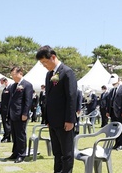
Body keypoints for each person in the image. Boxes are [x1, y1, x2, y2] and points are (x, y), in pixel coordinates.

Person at [36, 45, 77, 173]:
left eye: (45, 62)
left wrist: (70, 120)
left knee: (67, 153)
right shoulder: (49, 75)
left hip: (64, 121)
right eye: (41, 63)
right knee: (57, 153)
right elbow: (48, 98)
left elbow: (71, 97)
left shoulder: (67, 72)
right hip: (53, 121)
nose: (44, 65)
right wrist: (46, 118)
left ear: (53, 57)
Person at [6, 66, 33, 163]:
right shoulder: (13, 86)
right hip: (12, 113)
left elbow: (28, 101)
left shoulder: (27, 85)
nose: (12, 76)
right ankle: (15, 152)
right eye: (11, 75)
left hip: (21, 113)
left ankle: (22, 154)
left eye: (14, 74)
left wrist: (25, 113)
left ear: (20, 73)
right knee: (14, 134)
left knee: (20, 134)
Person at [106, 73, 122, 151]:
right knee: (114, 129)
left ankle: (121, 144)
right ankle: (116, 143)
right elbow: (109, 101)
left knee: (121, 128)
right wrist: (108, 111)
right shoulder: (112, 90)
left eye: (114, 83)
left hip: (120, 112)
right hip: (112, 112)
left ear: (118, 81)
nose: (113, 84)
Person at [0, 77, 12, 142]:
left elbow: (10, 100)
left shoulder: (10, 88)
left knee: (7, 123)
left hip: (7, 109)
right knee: (5, 123)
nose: (1, 84)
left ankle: (7, 136)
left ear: (5, 81)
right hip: (3, 109)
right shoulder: (5, 89)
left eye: (1, 82)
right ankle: (7, 135)